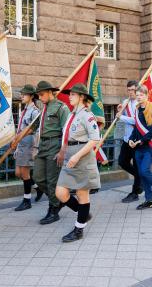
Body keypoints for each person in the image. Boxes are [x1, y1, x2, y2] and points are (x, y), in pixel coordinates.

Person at [55, 83, 101, 242]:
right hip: (69, 156)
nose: (70, 97)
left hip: (82, 158)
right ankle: (84, 214)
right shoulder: (71, 114)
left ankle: (79, 229)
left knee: (82, 194)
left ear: (82, 97)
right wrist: (63, 151)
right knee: (60, 193)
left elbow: (95, 139)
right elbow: (67, 136)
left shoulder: (87, 115)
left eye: (73, 95)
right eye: (70, 94)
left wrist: (76, 156)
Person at [32, 81, 70, 224]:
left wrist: (62, 151)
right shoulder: (44, 108)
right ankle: (60, 199)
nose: (40, 98)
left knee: (52, 180)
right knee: (38, 177)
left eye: (42, 95)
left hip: (55, 144)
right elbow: (36, 128)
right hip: (43, 145)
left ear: (50, 92)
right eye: (38, 95)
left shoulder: (61, 108)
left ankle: (53, 210)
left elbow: (66, 131)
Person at [128, 85, 152, 210]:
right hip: (139, 146)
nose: (139, 97)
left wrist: (141, 140)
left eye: (141, 95)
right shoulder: (137, 109)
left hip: (151, 145)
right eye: (137, 95)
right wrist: (131, 140)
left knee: (144, 170)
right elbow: (137, 129)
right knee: (141, 173)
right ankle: (148, 200)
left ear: (147, 95)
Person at [11, 85, 41, 211]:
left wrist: (35, 147)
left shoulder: (35, 112)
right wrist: (16, 140)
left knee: (24, 172)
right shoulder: (24, 111)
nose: (21, 96)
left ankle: (27, 200)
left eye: (25, 94)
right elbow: (21, 128)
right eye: (21, 94)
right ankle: (38, 188)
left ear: (32, 96)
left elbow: (35, 130)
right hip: (21, 144)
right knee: (19, 173)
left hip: (29, 145)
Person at [117, 80, 144, 202]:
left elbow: (135, 120)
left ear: (137, 90)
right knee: (122, 161)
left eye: (132, 90)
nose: (130, 92)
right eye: (128, 90)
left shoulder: (139, 103)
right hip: (127, 138)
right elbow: (122, 116)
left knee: (138, 165)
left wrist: (121, 116)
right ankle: (140, 178)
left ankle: (135, 192)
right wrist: (120, 110)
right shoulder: (125, 102)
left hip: (137, 140)